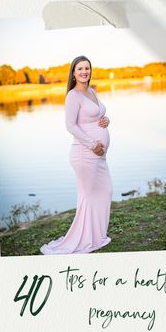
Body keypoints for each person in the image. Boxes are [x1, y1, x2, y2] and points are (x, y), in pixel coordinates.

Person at [40, 55, 112, 254]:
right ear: (73, 72)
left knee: (105, 192)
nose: (84, 72)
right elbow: (70, 125)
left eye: (87, 68)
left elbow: (97, 115)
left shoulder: (91, 91)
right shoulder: (73, 96)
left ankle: (97, 235)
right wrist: (92, 144)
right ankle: (84, 240)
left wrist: (106, 120)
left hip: (99, 155)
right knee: (87, 196)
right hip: (84, 153)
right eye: (80, 68)